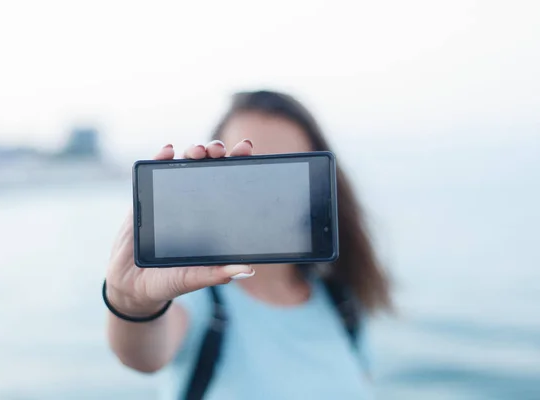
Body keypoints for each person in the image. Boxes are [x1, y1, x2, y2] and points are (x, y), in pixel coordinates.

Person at [104, 90, 392, 399]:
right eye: (249, 171)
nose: (264, 192)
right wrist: (132, 304)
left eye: (283, 172)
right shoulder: (198, 300)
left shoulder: (342, 303)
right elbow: (143, 355)